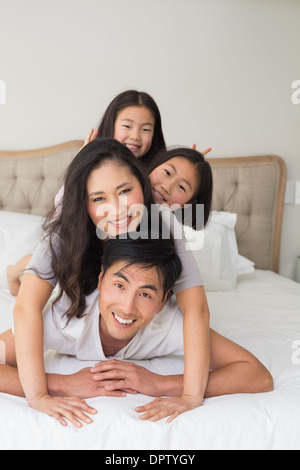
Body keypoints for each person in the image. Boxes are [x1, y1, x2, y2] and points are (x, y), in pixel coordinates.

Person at [4, 137, 208, 426]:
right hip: (75, 269)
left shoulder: (163, 222)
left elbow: (196, 309)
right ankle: (14, 272)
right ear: (85, 204)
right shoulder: (68, 232)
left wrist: (189, 394)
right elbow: (26, 309)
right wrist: (41, 393)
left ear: (143, 185)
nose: (118, 209)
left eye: (125, 191)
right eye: (99, 198)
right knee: (28, 273)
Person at [0, 236, 273, 427]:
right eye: (119, 285)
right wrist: (61, 383)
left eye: (145, 293)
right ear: (101, 278)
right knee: (29, 270)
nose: (127, 308)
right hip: (68, 275)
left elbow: (257, 376)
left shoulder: (170, 322)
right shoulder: (62, 316)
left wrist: (162, 384)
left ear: (164, 300)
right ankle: (14, 273)